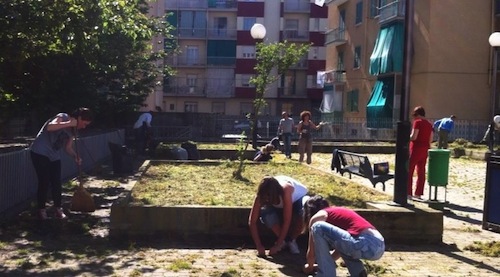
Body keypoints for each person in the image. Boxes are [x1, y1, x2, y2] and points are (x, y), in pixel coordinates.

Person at [30, 107, 93, 220]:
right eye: (84, 123)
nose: (84, 127)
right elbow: (50, 127)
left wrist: (75, 156)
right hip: (40, 151)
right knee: (44, 181)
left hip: (53, 155)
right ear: (78, 118)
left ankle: (58, 209)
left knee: (56, 182)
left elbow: (67, 147)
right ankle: (41, 211)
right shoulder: (62, 117)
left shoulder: (73, 131)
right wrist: (69, 123)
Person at [302, 195, 385, 277]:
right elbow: (342, 247)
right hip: (379, 246)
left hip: (365, 241)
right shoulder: (338, 212)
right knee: (344, 247)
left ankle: (325, 275)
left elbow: (311, 252)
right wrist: (321, 265)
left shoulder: (319, 215)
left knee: (317, 226)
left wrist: (309, 266)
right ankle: (358, 273)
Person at [248, 175, 309, 256]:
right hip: (281, 203)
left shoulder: (286, 190)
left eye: (269, 197)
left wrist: (277, 245)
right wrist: (258, 245)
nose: (266, 199)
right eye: (265, 197)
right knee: (265, 212)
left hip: (298, 199)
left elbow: (287, 220)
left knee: (305, 211)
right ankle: (285, 241)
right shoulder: (260, 195)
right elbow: (252, 221)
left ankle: (291, 240)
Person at [408, 106, 434, 199]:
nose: (414, 117)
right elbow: (431, 139)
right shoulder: (429, 124)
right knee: (421, 171)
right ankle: (418, 193)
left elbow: (414, 136)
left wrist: (407, 137)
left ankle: (408, 193)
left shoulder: (417, 122)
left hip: (415, 148)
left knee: (409, 170)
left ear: (417, 114)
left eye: (414, 115)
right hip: (425, 149)